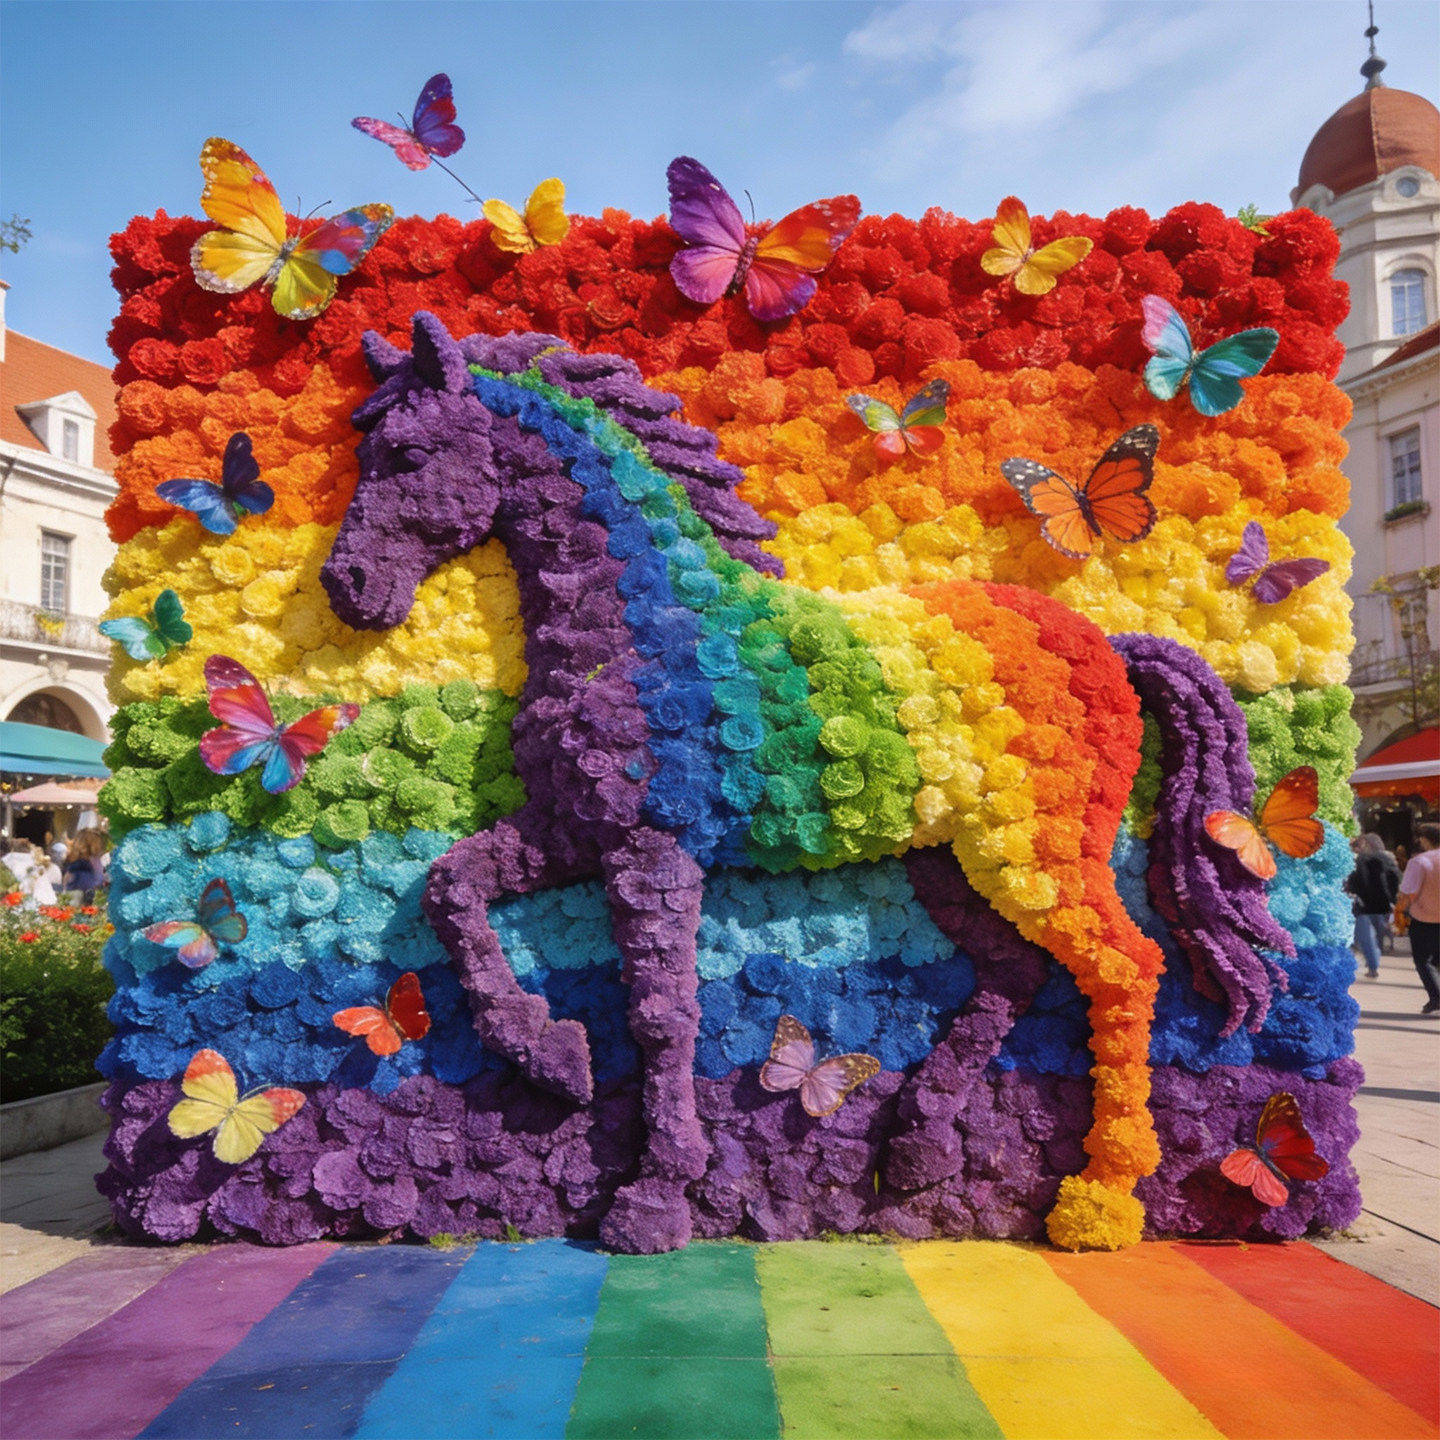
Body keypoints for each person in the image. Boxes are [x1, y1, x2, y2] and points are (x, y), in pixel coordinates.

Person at [1394, 822, 1440, 1015]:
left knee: (1423, 961)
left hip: (1424, 919)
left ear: (1425, 839)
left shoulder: (1419, 862)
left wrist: (1399, 913)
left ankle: (1436, 997)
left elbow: (1407, 893)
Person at [1346, 833, 1400, 978]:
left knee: (1365, 936)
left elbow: (1360, 881)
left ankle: (1372, 965)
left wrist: (1355, 890)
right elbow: (1393, 878)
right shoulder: (1385, 859)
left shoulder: (1361, 860)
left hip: (1364, 904)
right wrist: (1392, 899)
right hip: (1381, 903)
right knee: (1376, 933)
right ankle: (1373, 962)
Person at [60, 830, 106, 901]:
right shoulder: (90, 862)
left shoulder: (89, 861)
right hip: (82, 898)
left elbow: (66, 881)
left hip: (79, 898)